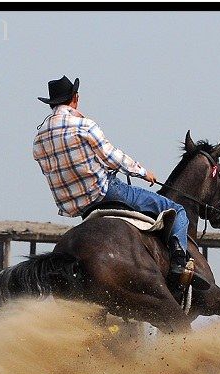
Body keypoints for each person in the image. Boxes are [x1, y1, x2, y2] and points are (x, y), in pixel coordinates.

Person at [33, 75, 192, 301]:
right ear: (75, 98)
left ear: (51, 104)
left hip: (77, 208)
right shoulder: (83, 125)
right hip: (105, 192)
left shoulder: (39, 137)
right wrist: (142, 171)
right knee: (176, 211)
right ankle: (179, 266)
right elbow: (111, 157)